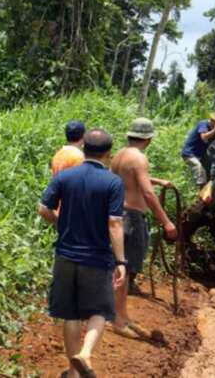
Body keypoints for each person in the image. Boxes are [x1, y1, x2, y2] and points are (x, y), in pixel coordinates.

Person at [37, 128, 126, 378]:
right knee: (101, 310)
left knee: (70, 313)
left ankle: (72, 373)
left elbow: (43, 208)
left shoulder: (65, 177)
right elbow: (114, 223)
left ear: (83, 148)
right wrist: (120, 260)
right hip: (96, 258)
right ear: (108, 153)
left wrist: (58, 222)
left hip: (65, 255)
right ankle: (85, 354)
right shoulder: (112, 182)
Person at [110, 117, 177, 337]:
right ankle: (118, 321)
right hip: (132, 217)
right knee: (125, 270)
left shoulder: (120, 155)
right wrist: (166, 222)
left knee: (121, 267)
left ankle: (122, 315)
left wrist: (158, 181)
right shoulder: (139, 158)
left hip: (117, 214)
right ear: (148, 139)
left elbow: (132, 178)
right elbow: (147, 193)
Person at [180, 113, 215, 188]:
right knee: (199, 168)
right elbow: (204, 137)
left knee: (208, 168)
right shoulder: (203, 124)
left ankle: (207, 188)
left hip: (201, 154)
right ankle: (202, 187)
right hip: (189, 153)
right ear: (212, 120)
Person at [50, 121, 86, 217]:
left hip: (58, 208)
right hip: (73, 210)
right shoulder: (80, 157)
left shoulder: (58, 155)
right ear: (83, 136)